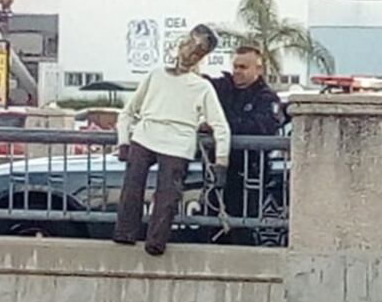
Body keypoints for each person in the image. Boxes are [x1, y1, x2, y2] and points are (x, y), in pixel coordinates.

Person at [114, 24, 231, 256]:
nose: (190, 53)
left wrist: (221, 163)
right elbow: (128, 112)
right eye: (189, 45)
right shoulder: (156, 75)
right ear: (181, 44)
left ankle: (156, 242)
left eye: (198, 51)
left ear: (202, 57)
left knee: (167, 196)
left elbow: (221, 127)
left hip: (178, 143)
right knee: (132, 187)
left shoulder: (201, 86)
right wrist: (124, 141)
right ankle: (124, 233)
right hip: (146, 135)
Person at [207, 46, 284, 241]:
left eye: (243, 67)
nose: (237, 71)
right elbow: (198, 84)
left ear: (258, 70)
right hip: (218, 174)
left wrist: (219, 127)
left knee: (242, 233)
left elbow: (261, 128)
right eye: (235, 66)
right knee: (210, 230)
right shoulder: (222, 89)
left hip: (250, 178)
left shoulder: (266, 98)